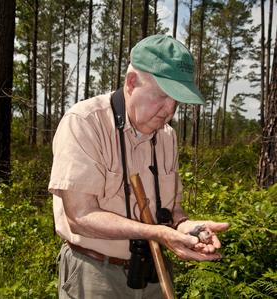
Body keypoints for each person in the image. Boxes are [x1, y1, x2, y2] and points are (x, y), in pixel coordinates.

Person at [48, 35, 230, 299]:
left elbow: (173, 209)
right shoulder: (84, 123)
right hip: (96, 274)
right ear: (132, 82)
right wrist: (157, 233)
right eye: (162, 95)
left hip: (155, 272)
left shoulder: (167, 136)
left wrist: (188, 228)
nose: (169, 110)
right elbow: (80, 217)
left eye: (177, 101)